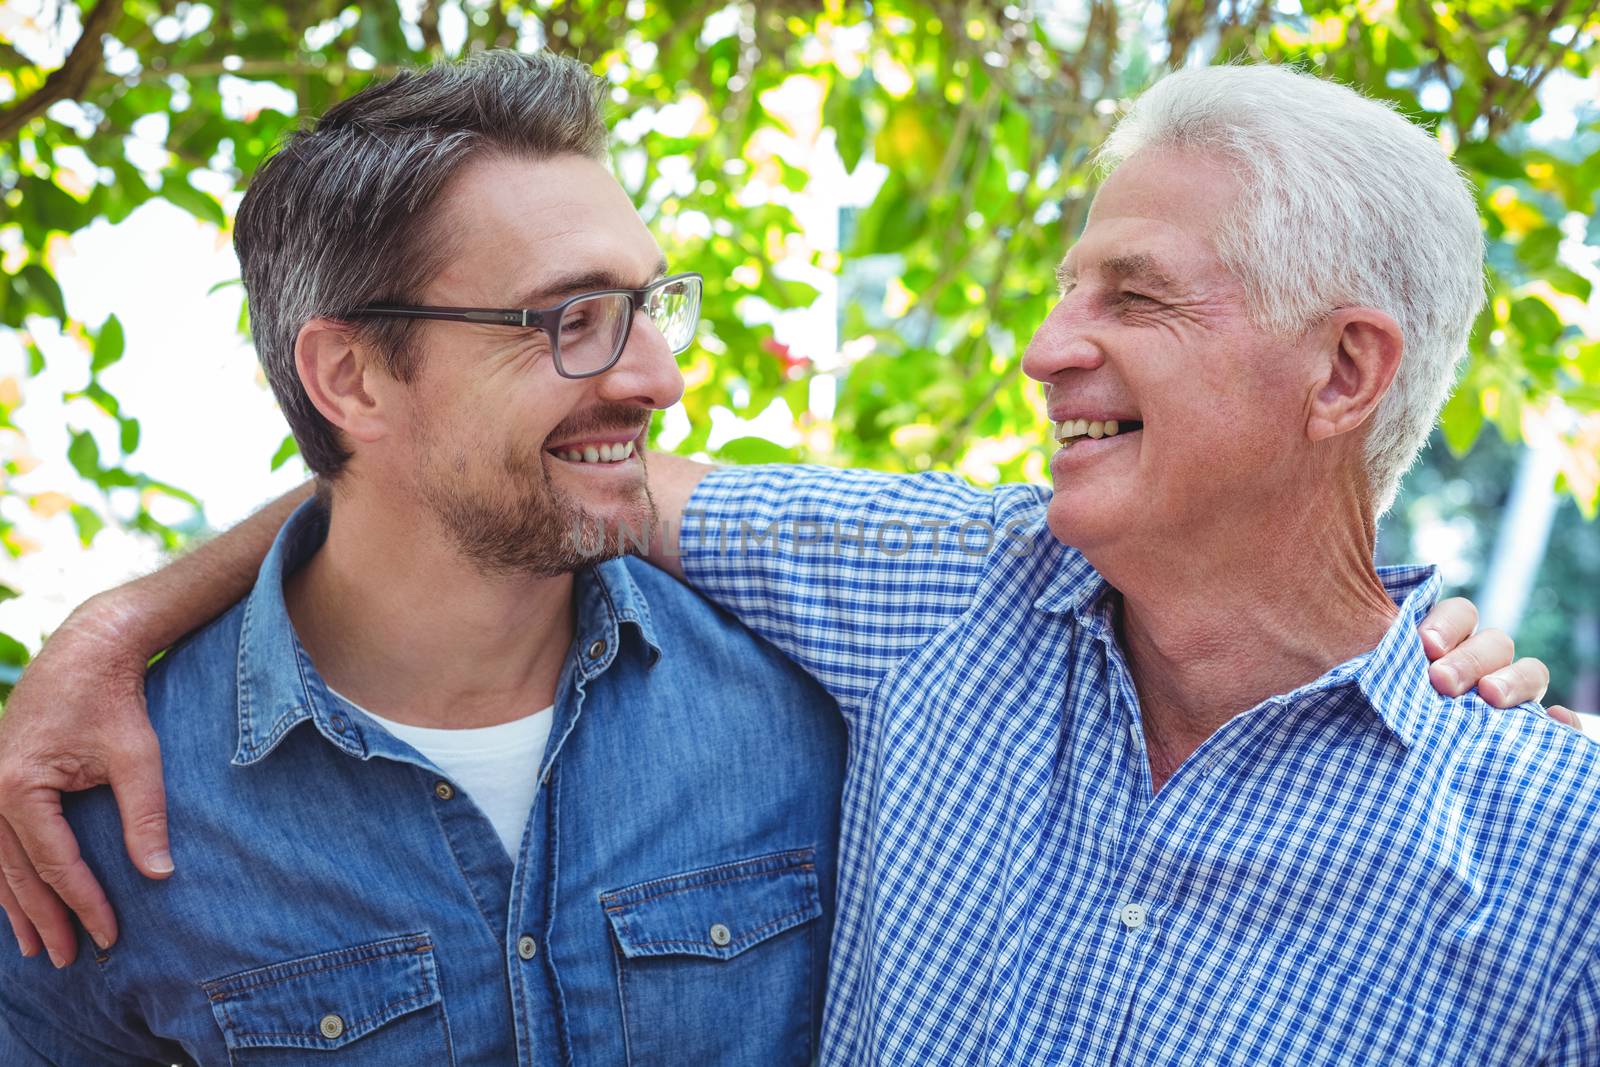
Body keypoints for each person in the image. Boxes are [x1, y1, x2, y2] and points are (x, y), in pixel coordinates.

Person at [0, 55, 1562, 1063]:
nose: (1039, 350)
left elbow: (545, 451)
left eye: (1133, 300)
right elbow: (479, 471)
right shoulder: (944, 592)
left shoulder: (1557, 856)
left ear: (1346, 372)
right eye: (570, 316)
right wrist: (117, 619)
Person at [0, 51, 845, 1065]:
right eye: (573, 319)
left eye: (649, 304)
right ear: (351, 377)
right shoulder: (113, 813)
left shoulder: (804, 703)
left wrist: (115, 616)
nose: (659, 378)